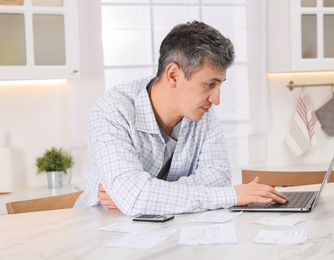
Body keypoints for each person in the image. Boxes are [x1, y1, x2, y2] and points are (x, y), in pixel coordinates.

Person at [74, 20, 288, 216]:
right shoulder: (111, 111)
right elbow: (136, 197)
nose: (216, 99)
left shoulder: (202, 111)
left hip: (169, 228)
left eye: (220, 85)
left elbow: (219, 178)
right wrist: (232, 195)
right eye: (210, 84)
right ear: (174, 75)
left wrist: (146, 195)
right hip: (102, 232)